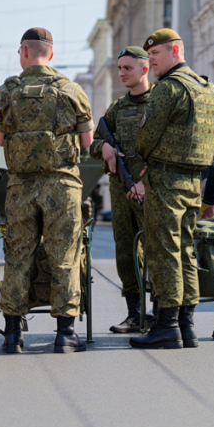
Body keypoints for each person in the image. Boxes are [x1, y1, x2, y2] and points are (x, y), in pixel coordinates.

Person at [0, 27, 94, 354]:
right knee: (64, 255)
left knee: (17, 255)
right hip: (62, 184)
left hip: (20, 186)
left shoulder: (6, 92)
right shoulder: (71, 90)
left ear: (23, 51)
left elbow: (0, 139)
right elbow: (88, 142)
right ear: (51, 53)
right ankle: (65, 334)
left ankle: (12, 335)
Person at [129, 29, 214, 350]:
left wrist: (145, 158)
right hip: (194, 180)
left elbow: (144, 138)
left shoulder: (169, 89)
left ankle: (167, 325)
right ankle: (187, 324)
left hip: (166, 180)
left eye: (156, 54)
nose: (151, 60)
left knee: (164, 248)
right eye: (150, 55)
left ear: (176, 50)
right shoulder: (210, 90)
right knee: (185, 249)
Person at [90, 46, 153, 334]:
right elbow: (92, 141)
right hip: (120, 189)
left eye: (128, 68)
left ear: (145, 68)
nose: (122, 73)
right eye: (119, 68)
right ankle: (134, 312)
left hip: (151, 190)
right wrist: (103, 146)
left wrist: (146, 181)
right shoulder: (118, 107)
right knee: (125, 251)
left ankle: (163, 312)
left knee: (156, 250)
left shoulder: (159, 103)